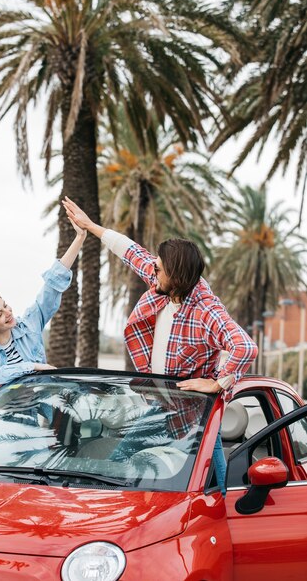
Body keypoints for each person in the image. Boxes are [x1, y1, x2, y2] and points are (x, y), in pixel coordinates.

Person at [62, 196, 258, 494]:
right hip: (162, 404)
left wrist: (218, 383)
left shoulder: (205, 310)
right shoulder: (164, 283)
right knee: (120, 463)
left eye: (158, 268)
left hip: (194, 414)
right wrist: (90, 226)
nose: (151, 269)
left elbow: (245, 347)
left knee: (212, 486)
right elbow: (131, 251)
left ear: (176, 276)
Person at [0, 220, 86, 413]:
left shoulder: (29, 325)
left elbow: (52, 286)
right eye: (0, 314)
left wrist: (79, 238)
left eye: (5, 305)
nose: (8, 313)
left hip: (35, 423)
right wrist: (33, 367)